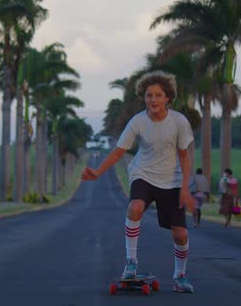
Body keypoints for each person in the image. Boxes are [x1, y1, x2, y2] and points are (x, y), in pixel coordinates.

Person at [81, 71, 195, 293]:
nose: (153, 100)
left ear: (168, 98)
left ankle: (180, 276)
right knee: (135, 207)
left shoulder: (179, 122)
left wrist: (185, 189)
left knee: (180, 234)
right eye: (149, 95)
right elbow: (118, 151)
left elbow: (184, 156)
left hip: (172, 180)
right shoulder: (138, 121)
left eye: (158, 95)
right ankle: (130, 263)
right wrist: (97, 171)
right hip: (143, 173)